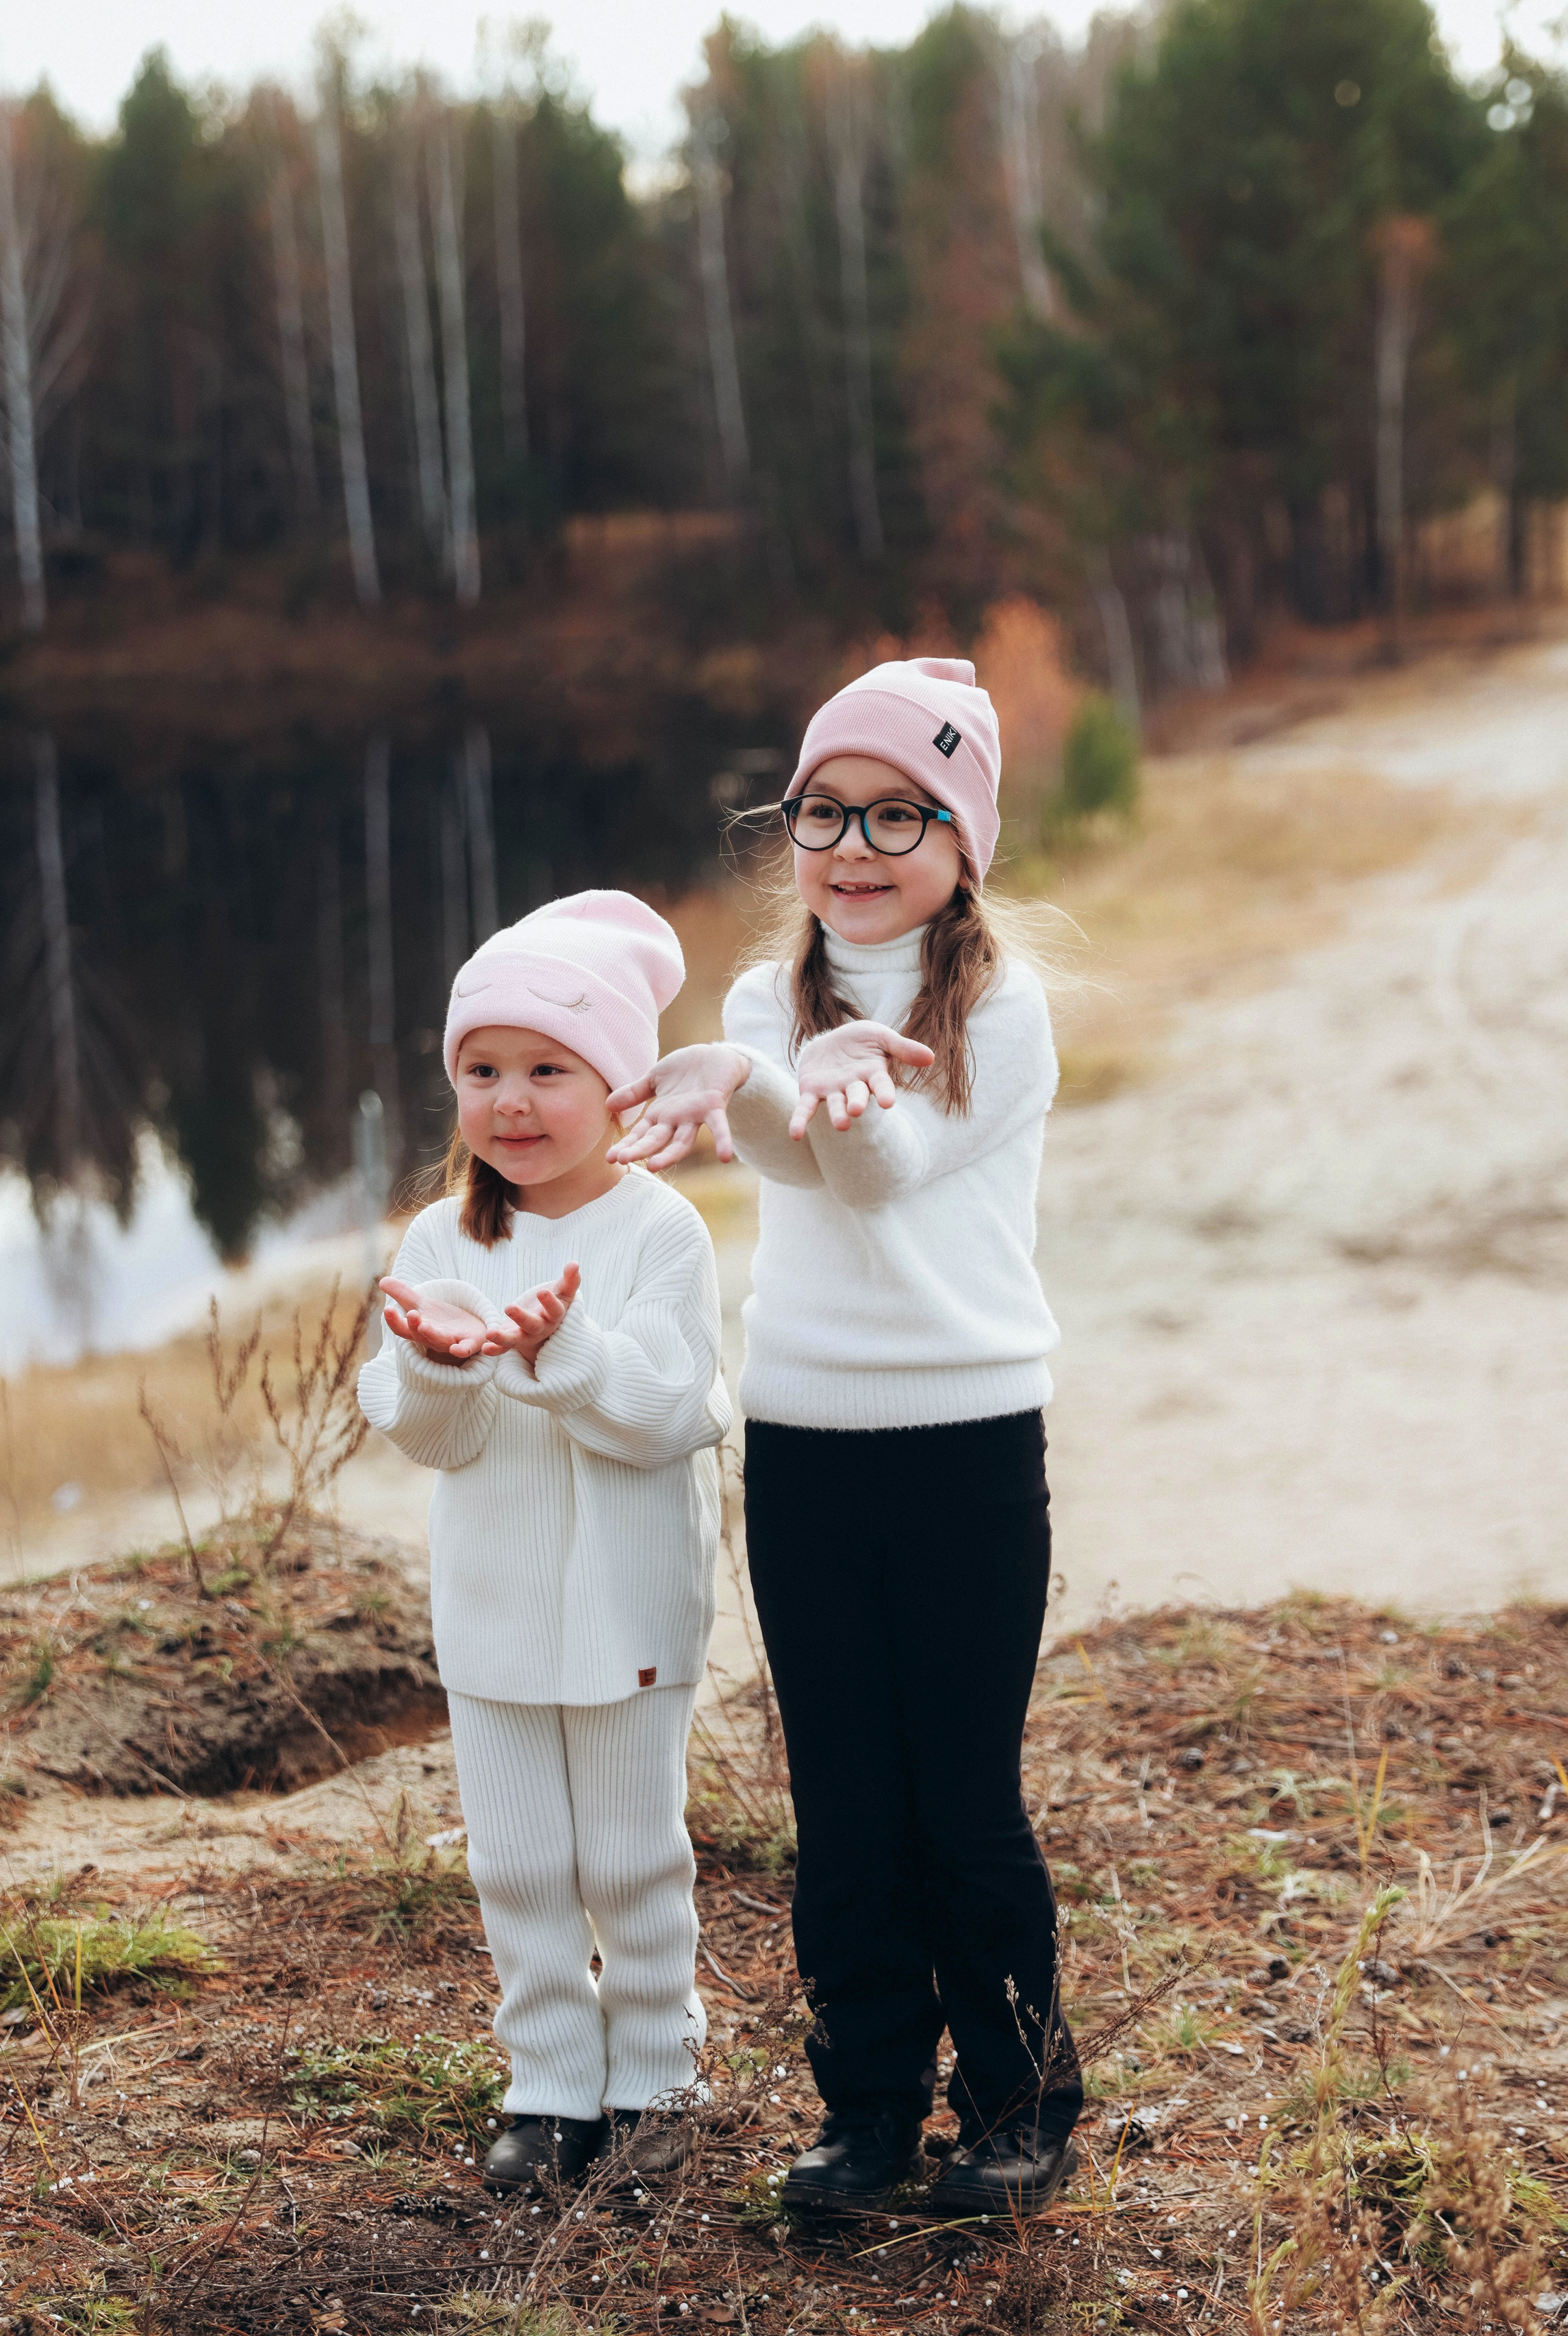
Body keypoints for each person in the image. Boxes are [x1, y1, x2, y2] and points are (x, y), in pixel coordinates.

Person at [608, 658, 1082, 2215]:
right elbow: (792, 1165)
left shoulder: (1000, 1013)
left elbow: (879, 1172)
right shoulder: (764, 995)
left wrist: (811, 1084)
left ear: (962, 845)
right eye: (824, 809)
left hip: (963, 1442)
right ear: (788, 824)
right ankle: (867, 2111)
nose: (854, 843)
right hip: (806, 1444)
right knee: (844, 1802)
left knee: (960, 1793)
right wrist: (753, 1073)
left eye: (899, 812)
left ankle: (1016, 2103)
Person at [357, 889, 731, 2195]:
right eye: (482, 1071)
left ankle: (656, 2076)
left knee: (632, 1855)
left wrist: (560, 1352)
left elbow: (674, 1414)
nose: (510, 1101)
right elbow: (424, 1434)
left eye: (546, 1070)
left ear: (621, 1086)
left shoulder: (657, 1230)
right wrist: (446, 1370)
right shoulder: (440, 1236)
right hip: (496, 1607)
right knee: (519, 1858)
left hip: (629, 1603)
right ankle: (550, 2083)